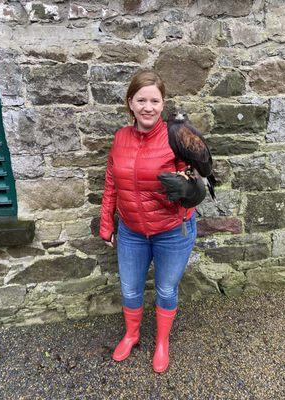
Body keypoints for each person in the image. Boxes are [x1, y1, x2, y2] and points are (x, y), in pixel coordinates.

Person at [99, 70, 199, 373]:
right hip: (132, 232)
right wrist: (107, 223)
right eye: (141, 100)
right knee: (130, 290)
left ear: (163, 104)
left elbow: (196, 180)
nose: (147, 107)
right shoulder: (120, 138)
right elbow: (111, 184)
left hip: (173, 231)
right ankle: (131, 335)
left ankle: (162, 342)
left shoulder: (176, 138)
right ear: (131, 103)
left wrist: (190, 190)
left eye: (154, 100)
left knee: (166, 290)